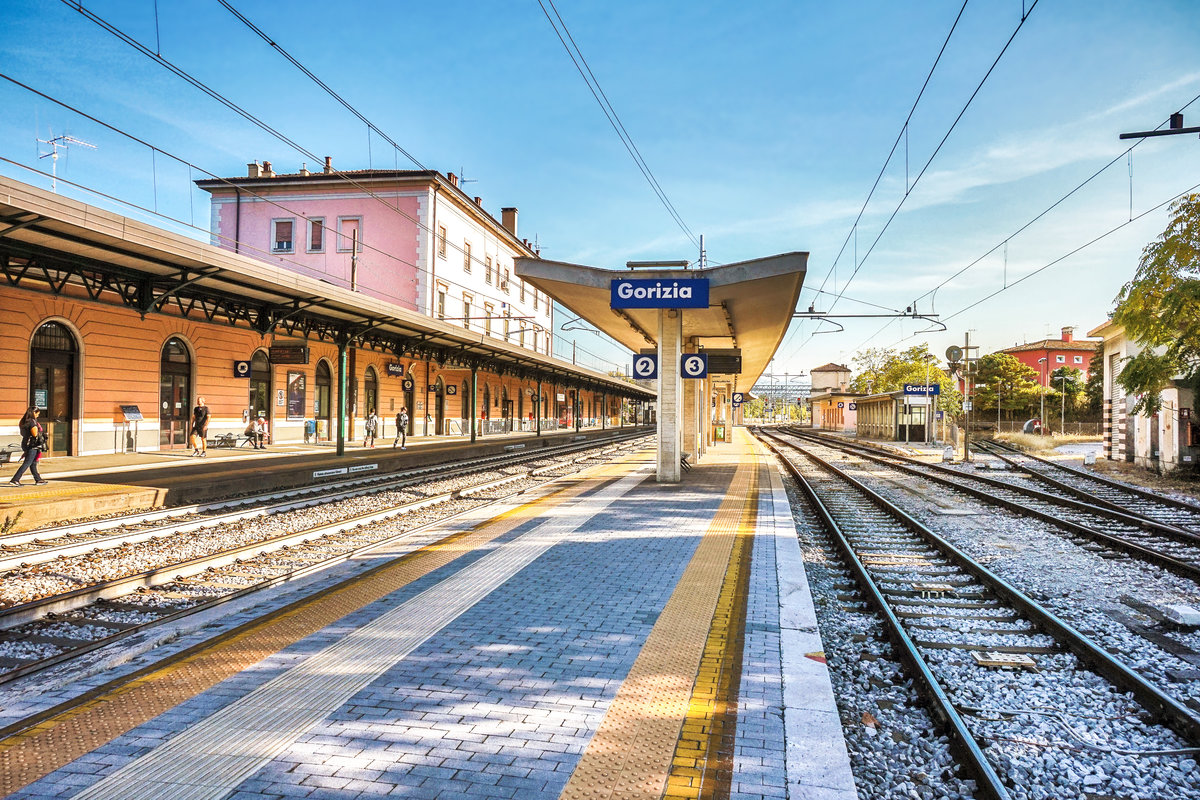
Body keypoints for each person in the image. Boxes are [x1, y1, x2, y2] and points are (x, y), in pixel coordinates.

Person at [8, 406, 49, 486]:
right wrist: (41, 434)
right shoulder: (32, 422)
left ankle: (38, 479)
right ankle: (15, 479)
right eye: (37, 413)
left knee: (33, 462)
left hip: (26, 443)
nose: (38, 415)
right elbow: (34, 434)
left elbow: (23, 433)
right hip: (33, 445)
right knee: (27, 462)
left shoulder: (24, 421)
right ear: (34, 413)